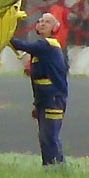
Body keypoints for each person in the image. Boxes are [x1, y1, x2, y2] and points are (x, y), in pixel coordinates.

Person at [10, 12, 69, 166]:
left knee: (50, 136)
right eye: (41, 21)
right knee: (45, 136)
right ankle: (50, 166)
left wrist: (6, 36)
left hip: (53, 99)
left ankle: (56, 167)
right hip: (44, 100)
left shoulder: (48, 45)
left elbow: (22, 45)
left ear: (55, 28)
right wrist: (37, 104)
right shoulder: (42, 48)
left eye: (47, 22)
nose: (42, 24)